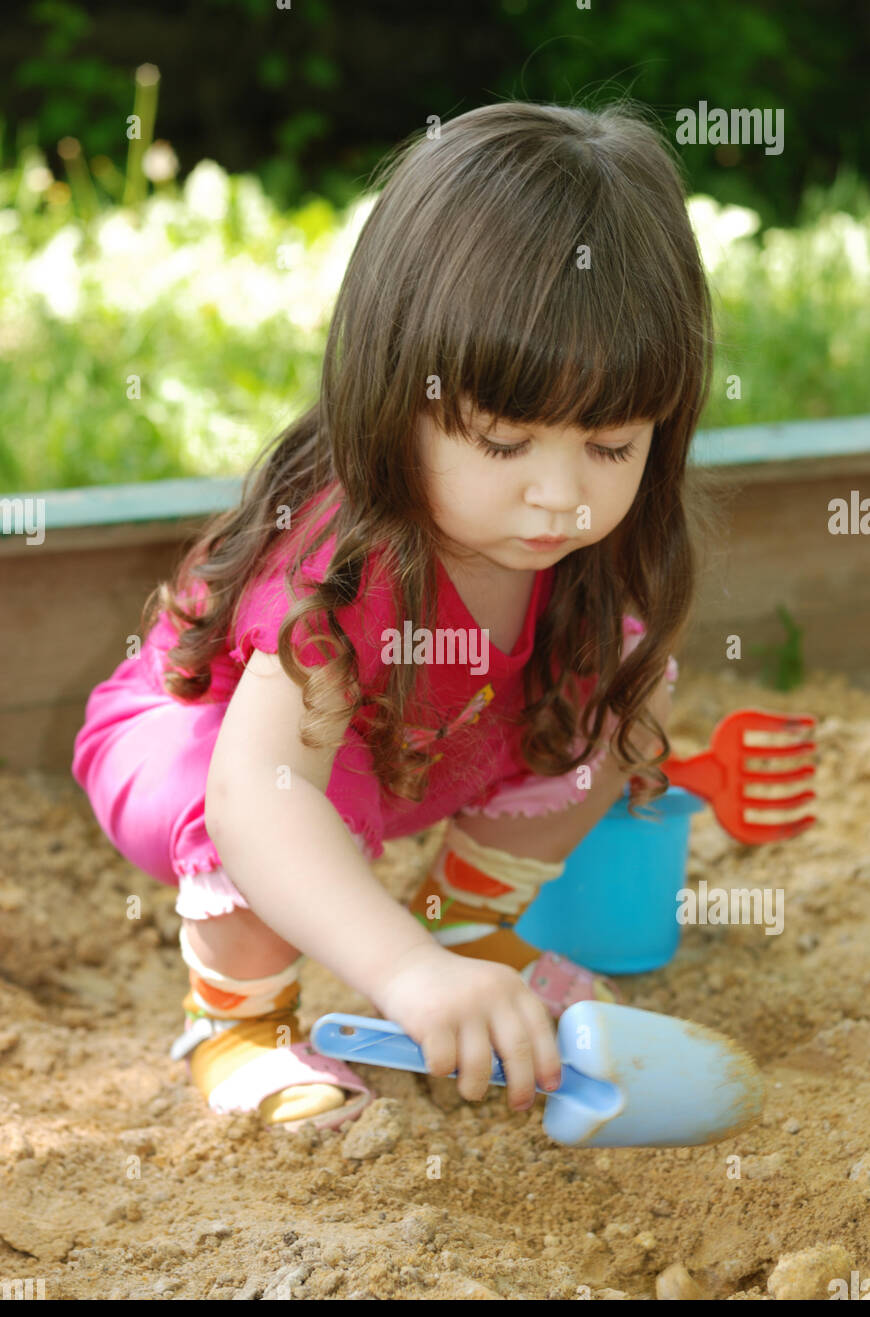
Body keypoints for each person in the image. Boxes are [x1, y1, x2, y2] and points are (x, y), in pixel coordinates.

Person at [72, 100, 712, 1133]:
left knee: (624, 684)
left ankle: (464, 929)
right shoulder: (336, 569)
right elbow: (258, 799)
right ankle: (238, 1020)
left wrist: (434, 957)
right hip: (214, 751)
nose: (560, 496)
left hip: (424, 744)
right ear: (391, 398)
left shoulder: (584, 556)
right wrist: (401, 975)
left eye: (611, 445)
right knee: (290, 795)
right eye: (505, 442)